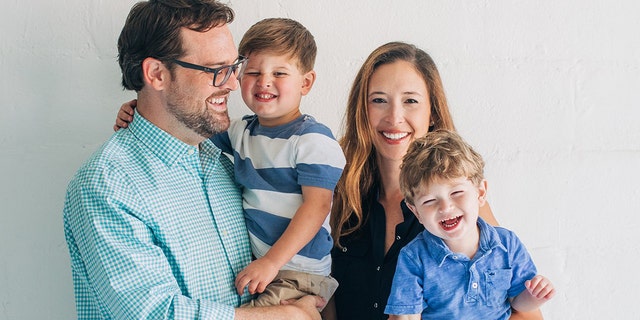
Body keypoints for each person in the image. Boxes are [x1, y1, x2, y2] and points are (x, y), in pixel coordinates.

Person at [63, 1, 322, 319]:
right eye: (215, 70)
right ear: (157, 74)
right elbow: (155, 313)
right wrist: (288, 317)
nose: (231, 84)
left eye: (233, 67)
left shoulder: (226, 164)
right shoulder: (108, 185)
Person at [114, 18, 345, 308]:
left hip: (297, 271)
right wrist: (137, 110)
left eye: (280, 73)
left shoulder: (313, 140)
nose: (264, 82)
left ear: (306, 82)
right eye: (253, 71)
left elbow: (318, 206)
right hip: (265, 267)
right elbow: (184, 126)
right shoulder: (241, 132)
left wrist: (272, 262)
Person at [326, 42, 544, 320]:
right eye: (378, 100)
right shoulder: (333, 188)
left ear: (433, 114)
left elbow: (525, 314)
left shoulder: (462, 207)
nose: (394, 117)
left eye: (411, 101)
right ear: (362, 111)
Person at [384, 129, 555, 319]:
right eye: (429, 201)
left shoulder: (507, 244)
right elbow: (407, 316)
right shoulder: (414, 257)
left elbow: (518, 302)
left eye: (456, 193)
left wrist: (534, 296)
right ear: (416, 212)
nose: (445, 207)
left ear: (480, 193)